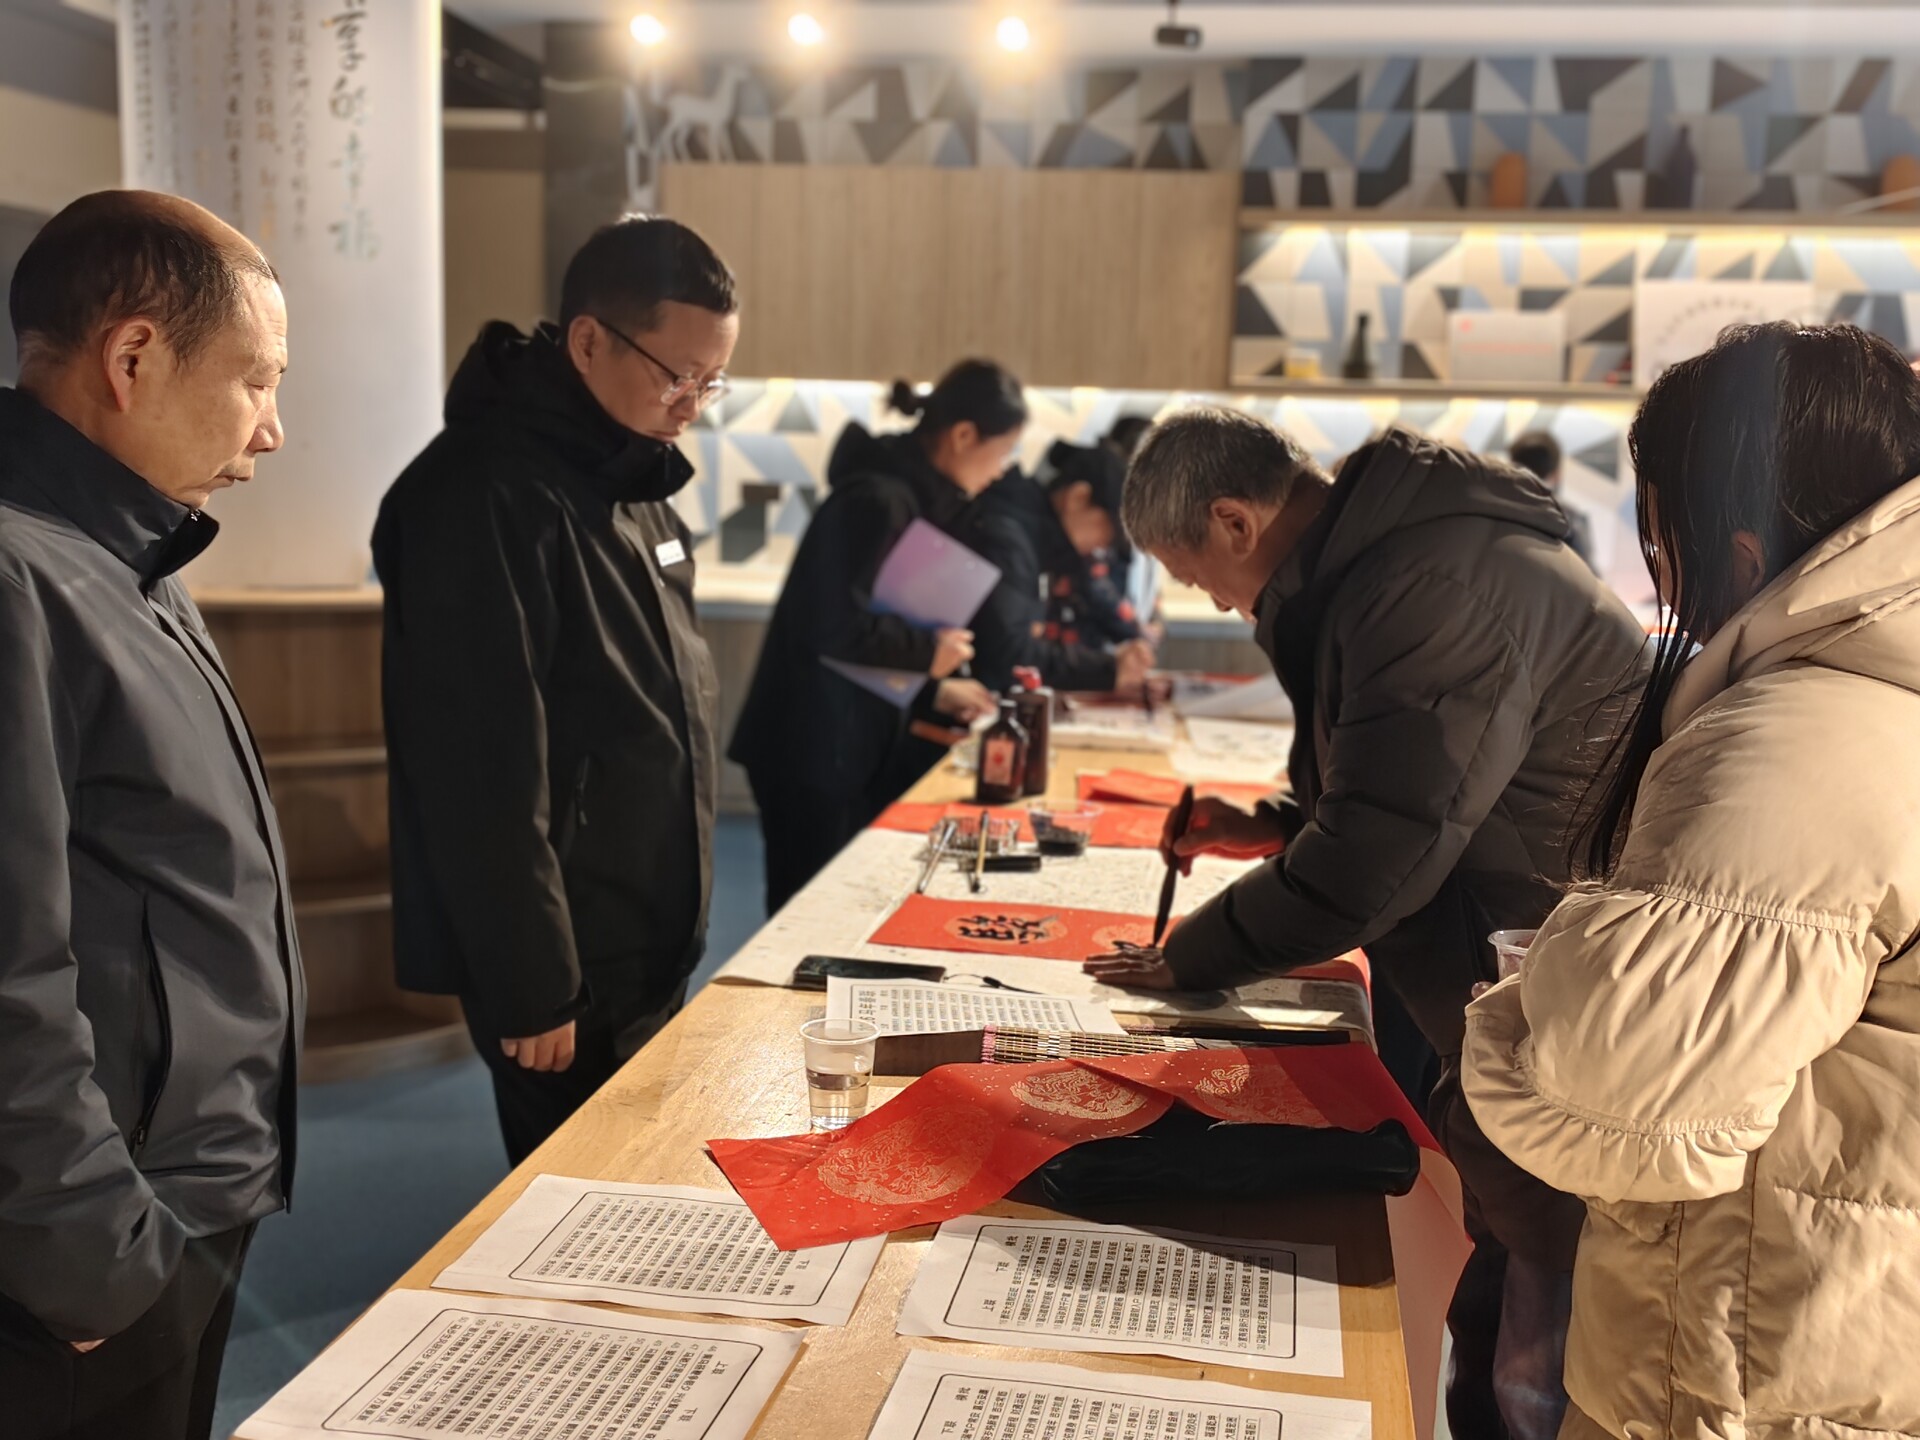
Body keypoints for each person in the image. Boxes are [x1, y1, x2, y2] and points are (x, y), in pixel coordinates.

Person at [1083, 409, 1648, 1440]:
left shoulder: (1433, 586)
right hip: (1512, 984)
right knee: (1502, 1302)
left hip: (1554, 1014)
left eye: (1199, 575)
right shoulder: (1396, 562)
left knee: (1535, 1353)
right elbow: (1413, 787)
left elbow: (1378, 856)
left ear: (1235, 520)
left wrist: (1190, 958)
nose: (1215, 600)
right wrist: (1275, 826)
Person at [1463, 323, 1920, 1440]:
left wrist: (1509, 1016)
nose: (1660, 576)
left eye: (1661, 540)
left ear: (1741, 551)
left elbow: (1618, 1093)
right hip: (1835, 1335)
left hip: (1740, 1364)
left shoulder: (1801, 738)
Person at [0, 191, 302, 1440]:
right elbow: (11, 966)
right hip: (101, 1233)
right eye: (255, 380)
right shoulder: (20, 572)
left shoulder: (128, 550)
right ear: (132, 357)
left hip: (180, 1194)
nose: (271, 428)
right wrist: (90, 1256)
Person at [372, 216, 733, 1166]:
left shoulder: (632, 478)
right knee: (577, 1203)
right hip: (567, 953)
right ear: (587, 341)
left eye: (712, 382)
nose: (692, 405)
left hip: (647, 929)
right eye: (678, 376)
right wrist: (530, 978)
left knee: (639, 1182)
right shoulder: (478, 494)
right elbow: (476, 765)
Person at [729, 361, 1015, 912]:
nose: (1001, 471)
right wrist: (928, 653)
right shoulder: (876, 500)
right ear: (963, 436)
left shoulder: (904, 497)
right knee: (806, 914)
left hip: (839, 740)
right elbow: (830, 624)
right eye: (1002, 452)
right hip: (813, 748)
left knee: (829, 907)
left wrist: (932, 688)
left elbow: (864, 629)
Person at [961, 438, 1156, 693]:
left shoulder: (1035, 541)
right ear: (1078, 497)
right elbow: (1007, 653)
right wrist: (1106, 669)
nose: (1101, 547)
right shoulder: (1010, 539)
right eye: (1107, 534)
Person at [1510, 429, 1597, 571]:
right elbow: (1589, 575)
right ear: (1557, 474)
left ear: (1511, 468)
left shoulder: (1494, 513)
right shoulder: (1571, 520)